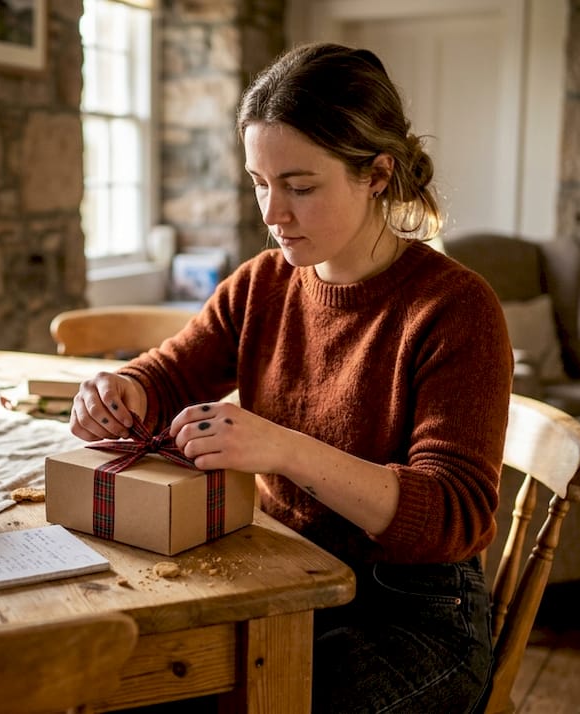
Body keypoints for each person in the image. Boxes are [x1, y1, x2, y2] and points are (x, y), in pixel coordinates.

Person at [69, 42, 513, 713]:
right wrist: (122, 390)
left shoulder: (455, 308)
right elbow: (168, 375)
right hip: (280, 576)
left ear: (378, 175)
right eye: (259, 183)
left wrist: (280, 447)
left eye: (301, 186)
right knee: (121, 684)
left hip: (412, 614)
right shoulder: (261, 285)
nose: (274, 214)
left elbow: (455, 516)